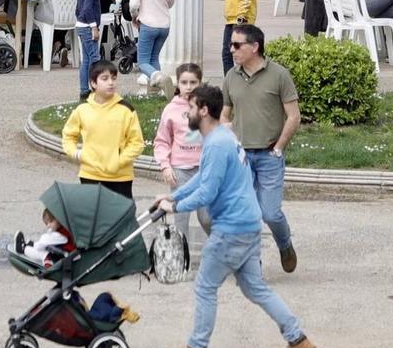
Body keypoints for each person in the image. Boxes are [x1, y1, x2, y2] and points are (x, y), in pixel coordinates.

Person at [154, 82, 318, 348]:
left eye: (191, 107)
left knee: (205, 287)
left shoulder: (217, 144)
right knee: (255, 288)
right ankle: (299, 341)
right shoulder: (221, 138)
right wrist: (173, 195)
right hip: (248, 223)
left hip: (231, 229)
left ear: (203, 110)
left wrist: (175, 207)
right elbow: (202, 178)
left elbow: (208, 193)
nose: (187, 113)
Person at [220, 23, 299, 275]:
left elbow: (293, 116)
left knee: (271, 213)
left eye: (236, 45)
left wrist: (279, 147)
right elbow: (224, 114)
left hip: (269, 156)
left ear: (255, 47)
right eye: (230, 44)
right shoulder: (231, 76)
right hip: (242, 158)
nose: (231, 49)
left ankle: (285, 245)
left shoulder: (279, 75)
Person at [59, 61, 144, 198]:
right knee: (93, 217)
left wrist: (119, 161)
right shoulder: (82, 110)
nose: (111, 83)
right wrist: (76, 154)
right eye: (105, 79)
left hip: (120, 177)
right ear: (93, 83)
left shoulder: (126, 110)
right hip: (90, 175)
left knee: (120, 218)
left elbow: (137, 143)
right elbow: (68, 136)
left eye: (114, 78)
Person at [153, 63, 212, 240]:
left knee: (207, 217)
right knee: (181, 219)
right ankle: (182, 259)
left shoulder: (206, 108)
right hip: (180, 171)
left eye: (193, 82)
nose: (188, 87)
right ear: (177, 83)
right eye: (184, 82)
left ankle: (222, 248)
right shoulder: (171, 110)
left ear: (200, 83)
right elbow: (162, 141)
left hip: (203, 169)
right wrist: (165, 166)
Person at [128, 0, 174, 89]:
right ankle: (157, 90)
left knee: (143, 63)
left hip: (148, 25)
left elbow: (134, 4)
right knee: (154, 58)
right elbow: (170, 4)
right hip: (164, 26)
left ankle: (158, 78)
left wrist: (134, 16)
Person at [73, 0, 108, 101]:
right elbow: (87, 8)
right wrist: (94, 27)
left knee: (86, 59)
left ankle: (84, 90)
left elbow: (79, 7)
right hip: (88, 26)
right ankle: (96, 89)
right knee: (95, 57)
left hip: (81, 24)